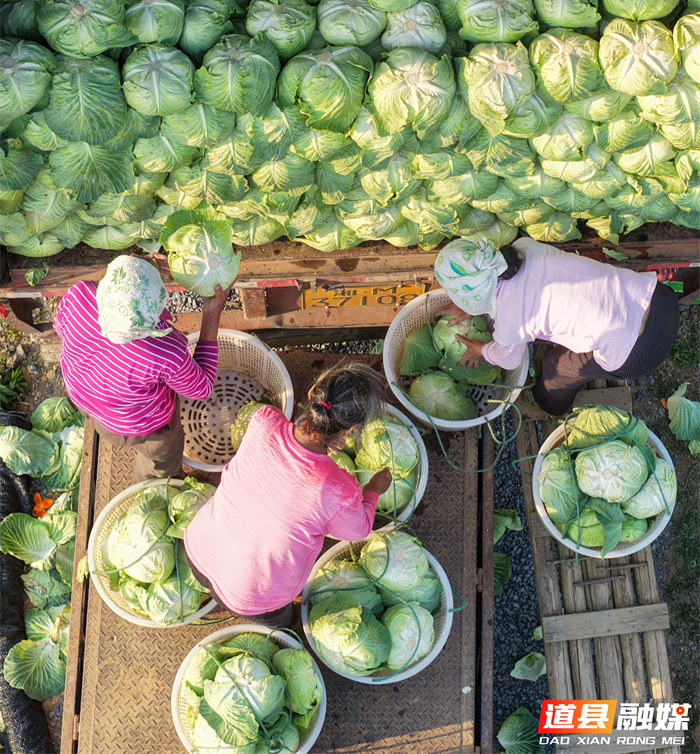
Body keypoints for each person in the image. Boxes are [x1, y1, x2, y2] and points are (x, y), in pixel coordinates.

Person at [184, 362, 392, 628]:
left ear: (313, 393)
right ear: (351, 431)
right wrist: (373, 490)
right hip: (249, 597)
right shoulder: (334, 488)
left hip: (198, 547)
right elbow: (360, 529)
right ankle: (284, 626)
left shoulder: (263, 419)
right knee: (282, 620)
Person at [434, 236, 680, 417]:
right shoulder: (523, 248)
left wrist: (481, 350)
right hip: (657, 298)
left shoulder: (510, 321)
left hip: (638, 353)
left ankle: (552, 407)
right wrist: (476, 302)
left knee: (555, 368)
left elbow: (508, 360)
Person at [53, 255, 233, 482]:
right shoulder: (164, 349)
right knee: (158, 462)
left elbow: (60, 328)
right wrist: (211, 313)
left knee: (107, 422)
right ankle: (153, 484)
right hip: (140, 426)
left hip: (86, 399)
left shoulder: (79, 294)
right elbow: (202, 388)